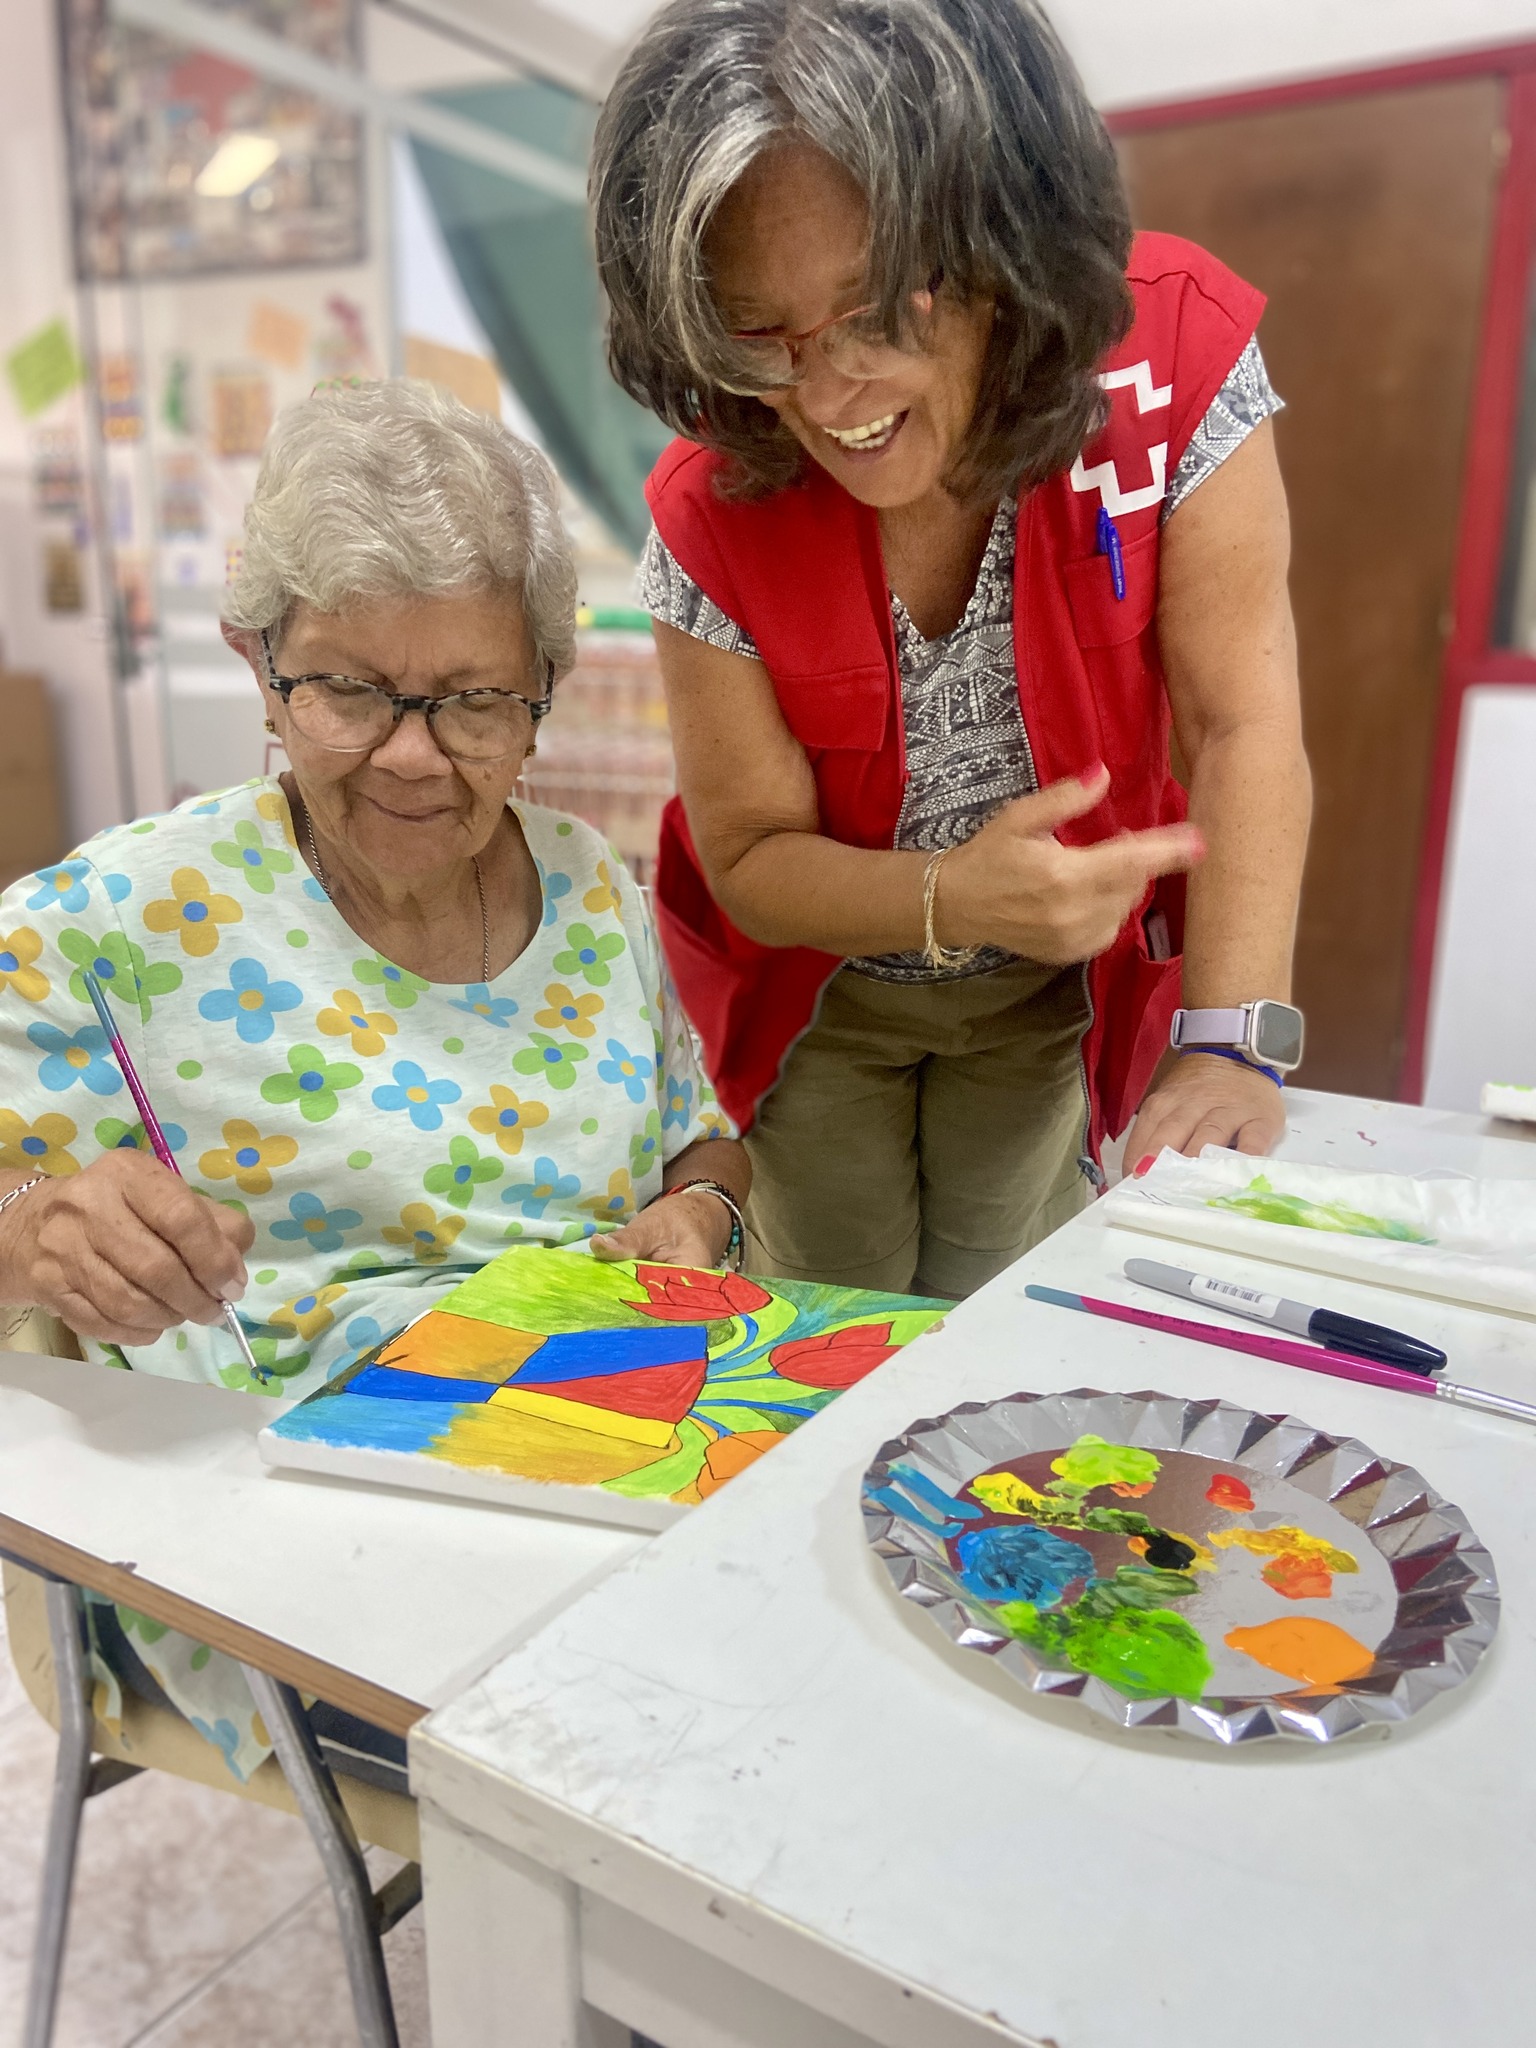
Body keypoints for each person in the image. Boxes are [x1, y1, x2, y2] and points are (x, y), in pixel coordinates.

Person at [0, 378, 746, 1776]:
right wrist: (37, 1233)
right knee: (693, 1746)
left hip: (608, 1456)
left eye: (469, 701)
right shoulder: (126, 922)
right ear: (261, 666)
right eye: (347, 689)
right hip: (290, 1555)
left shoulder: (588, 887)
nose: (412, 756)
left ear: (539, 702)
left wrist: (699, 1218)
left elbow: (697, 1145)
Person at [591, 0, 1312, 1300]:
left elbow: (1240, 720)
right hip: (811, 994)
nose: (827, 397)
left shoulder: (1172, 366)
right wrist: (946, 900)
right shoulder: (712, 500)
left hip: (1046, 983)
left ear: (1004, 244)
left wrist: (1232, 1043)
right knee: (824, 1306)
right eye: (759, 335)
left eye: (877, 312)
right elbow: (751, 854)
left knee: (1005, 1289)